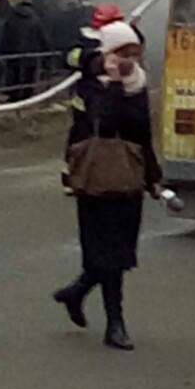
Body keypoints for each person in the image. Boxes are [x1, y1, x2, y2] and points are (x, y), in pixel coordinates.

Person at [53, 21, 161, 351]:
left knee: (120, 254)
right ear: (109, 54)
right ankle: (115, 324)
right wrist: (111, 81)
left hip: (128, 176)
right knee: (106, 252)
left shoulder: (139, 84)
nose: (131, 60)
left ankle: (77, 292)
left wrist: (153, 177)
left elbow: (142, 133)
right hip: (96, 177)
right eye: (123, 53)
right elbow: (105, 122)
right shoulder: (91, 85)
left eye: (135, 54)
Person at [0, 0, 50, 98]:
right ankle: (27, 96)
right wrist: (47, 50)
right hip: (31, 52)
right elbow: (43, 37)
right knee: (29, 75)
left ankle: (13, 95)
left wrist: (3, 51)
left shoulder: (11, 18)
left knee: (14, 74)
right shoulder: (35, 19)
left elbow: (5, 36)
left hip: (13, 52)